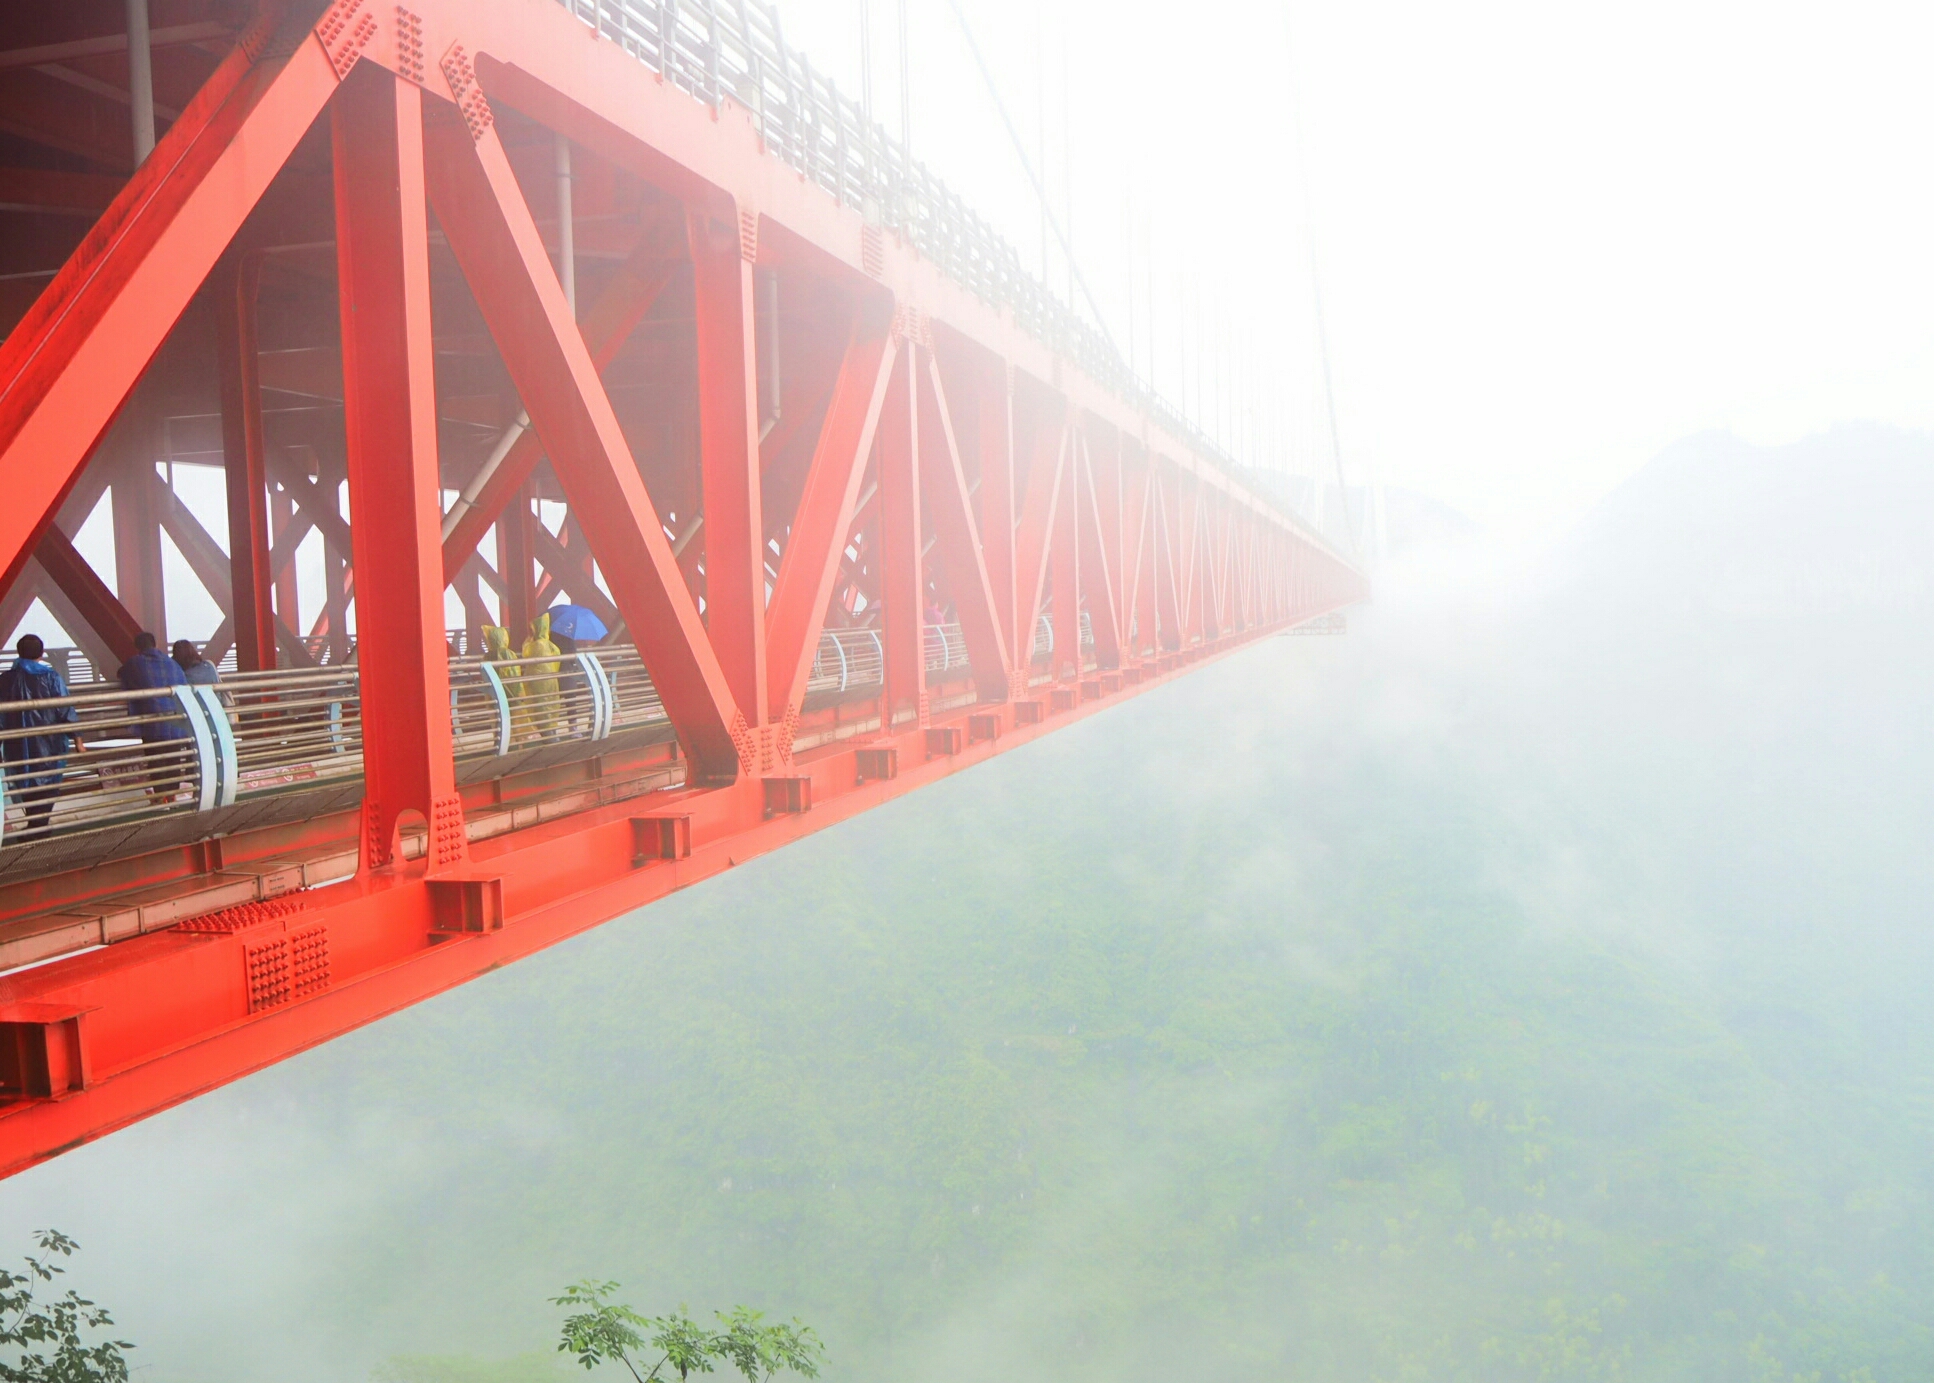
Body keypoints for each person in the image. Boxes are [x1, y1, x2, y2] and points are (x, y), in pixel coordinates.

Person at [0, 634, 83, 834]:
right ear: (41, 653)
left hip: (16, 743)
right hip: (49, 742)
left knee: (25, 781)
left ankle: (34, 826)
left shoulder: (5, 679)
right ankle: (40, 827)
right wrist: (78, 739)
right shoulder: (51, 677)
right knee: (48, 782)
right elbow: (65, 709)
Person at [118, 632, 188, 802]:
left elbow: (121, 674)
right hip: (176, 721)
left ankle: (160, 797)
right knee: (173, 760)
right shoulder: (172, 663)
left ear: (138, 647)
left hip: (153, 722)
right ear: (155, 644)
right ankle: (172, 797)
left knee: (156, 759)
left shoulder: (135, 663)